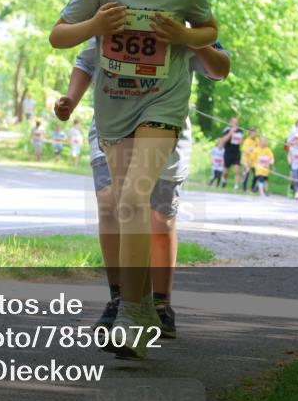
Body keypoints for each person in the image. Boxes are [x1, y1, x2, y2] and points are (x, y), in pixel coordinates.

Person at [49, 0, 218, 359]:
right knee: (125, 208)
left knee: (132, 196)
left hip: (162, 104)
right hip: (115, 106)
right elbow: (59, 35)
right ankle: (139, 307)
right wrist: (95, 27)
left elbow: (211, 33)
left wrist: (182, 35)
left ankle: (131, 313)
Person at [56, 38, 229, 340]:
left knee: (159, 217)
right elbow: (85, 59)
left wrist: (184, 35)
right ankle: (120, 299)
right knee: (110, 203)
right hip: (112, 120)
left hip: (164, 122)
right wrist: (71, 98)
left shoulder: (182, 3)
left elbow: (218, 69)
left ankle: (160, 303)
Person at [220, 117, 245, 190]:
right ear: (230, 122)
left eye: (236, 122)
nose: (235, 124)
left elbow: (242, 142)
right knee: (226, 171)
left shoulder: (240, 131)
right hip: (228, 152)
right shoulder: (227, 129)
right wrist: (231, 132)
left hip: (236, 153)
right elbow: (224, 140)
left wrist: (241, 142)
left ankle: (236, 186)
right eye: (233, 122)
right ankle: (224, 179)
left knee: (237, 169)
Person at [240, 127, 260, 192]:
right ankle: (244, 186)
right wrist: (252, 152)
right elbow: (245, 150)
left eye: (255, 133)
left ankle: (253, 187)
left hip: (254, 160)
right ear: (250, 133)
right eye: (253, 133)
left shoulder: (257, 140)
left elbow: (259, 148)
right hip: (246, 159)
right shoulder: (247, 140)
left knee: (256, 173)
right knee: (246, 172)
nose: (254, 134)